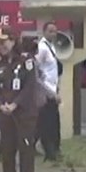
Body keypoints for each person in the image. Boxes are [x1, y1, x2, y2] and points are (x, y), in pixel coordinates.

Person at [0, 29, 39, 172]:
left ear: (12, 41)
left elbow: (30, 86)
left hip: (24, 113)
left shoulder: (26, 61)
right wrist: (0, 104)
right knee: (7, 148)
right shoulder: (0, 65)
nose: (1, 46)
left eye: (4, 42)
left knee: (25, 148)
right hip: (5, 113)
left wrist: (16, 104)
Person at [35, 22, 63, 161]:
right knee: (47, 123)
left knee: (52, 122)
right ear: (44, 32)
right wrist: (48, 91)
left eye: (55, 31)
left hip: (53, 88)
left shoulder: (51, 47)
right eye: (51, 31)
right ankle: (50, 151)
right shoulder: (42, 48)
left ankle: (54, 149)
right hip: (46, 91)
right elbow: (37, 70)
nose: (53, 34)